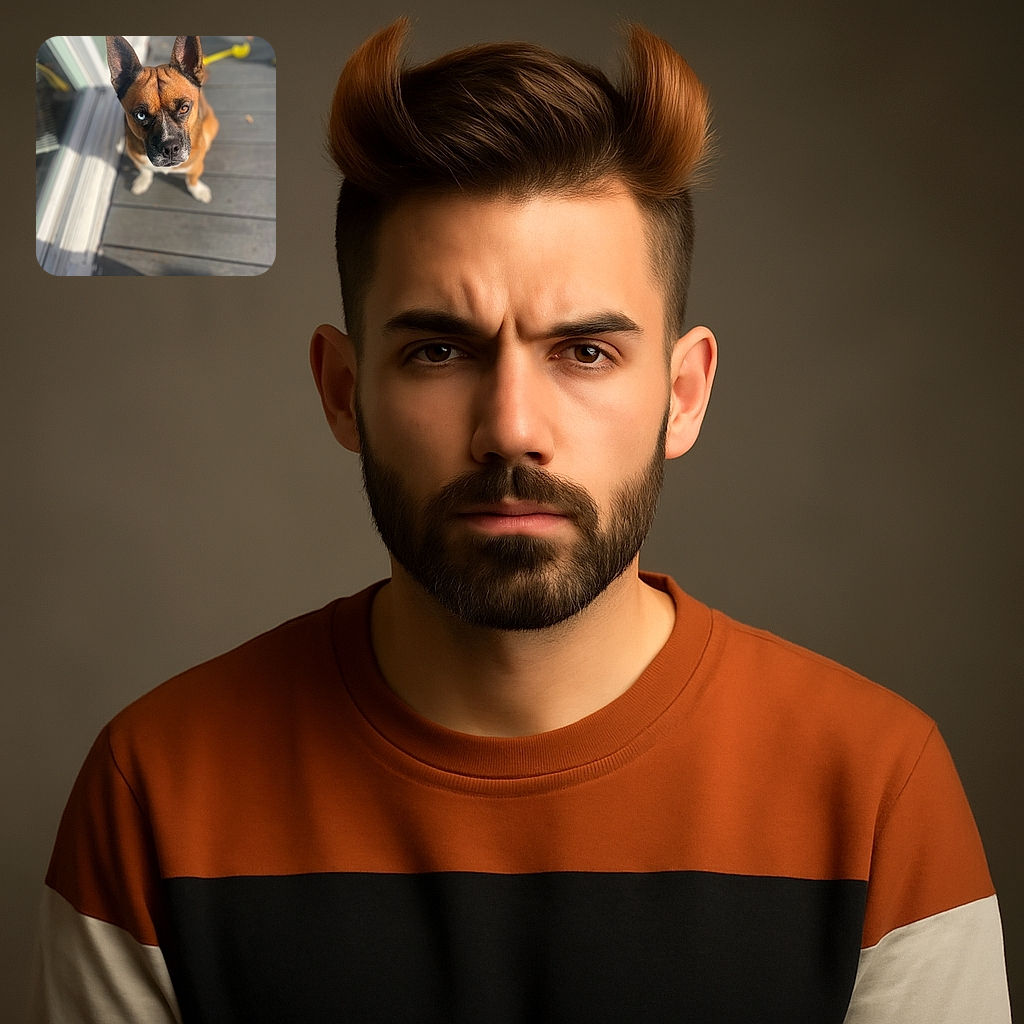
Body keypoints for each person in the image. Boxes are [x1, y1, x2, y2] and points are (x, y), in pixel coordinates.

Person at [32, 19, 1010, 1023]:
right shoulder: (155, 793)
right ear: (340, 389)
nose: (511, 429)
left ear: (682, 394)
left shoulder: (879, 795)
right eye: (439, 352)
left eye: (584, 353)